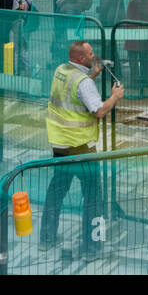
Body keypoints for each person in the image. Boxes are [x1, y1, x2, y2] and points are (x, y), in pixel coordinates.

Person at [37, 39, 123, 261]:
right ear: (80, 58)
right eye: (90, 53)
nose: (94, 56)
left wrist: (92, 77)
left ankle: (46, 238)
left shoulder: (61, 71)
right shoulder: (83, 83)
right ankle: (92, 246)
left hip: (60, 144)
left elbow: (72, 93)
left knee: (56, 191)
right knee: (93, 196)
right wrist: (114, 97)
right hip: (81, 147)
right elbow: (99, 111)